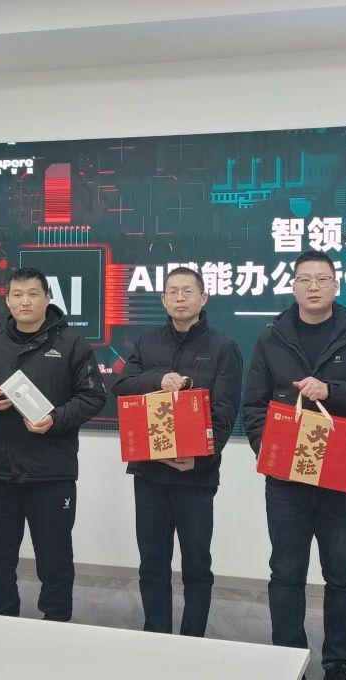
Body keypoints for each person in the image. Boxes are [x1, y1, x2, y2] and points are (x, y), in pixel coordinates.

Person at [243, 250, 346, 680]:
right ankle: (288, 657)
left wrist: (331, 390)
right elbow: (253, 405)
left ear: (336, 286)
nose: (313, 287)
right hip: (286, 481)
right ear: (292, 286)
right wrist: (268, 449)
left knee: (342, 575)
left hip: (343, 481)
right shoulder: (271, 338)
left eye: (322, 279)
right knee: (285, 573)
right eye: (304, 279)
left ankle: (337, 661)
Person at [0, 266, 107, 621]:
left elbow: (93, 397)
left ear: (47, 298)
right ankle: (2, 622)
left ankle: (56, 626)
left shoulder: (72, 344)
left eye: (32, 294)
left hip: (52, 472)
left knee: (55, 560)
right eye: (17, 295)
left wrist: (56, 418)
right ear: (7, 301)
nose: (24, 301)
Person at [111, 266, 243, 636]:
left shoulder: (223, 348)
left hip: (196, 477)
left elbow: (225, 414)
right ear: (163, 299)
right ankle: (156, 636)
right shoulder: (148, 342)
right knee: (152, 563)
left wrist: (199, 458)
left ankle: (193, 639)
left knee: (197, 565)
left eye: (188, 291)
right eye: (173, 291)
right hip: (149, 474)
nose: (180, 298)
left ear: (204, 298)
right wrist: (158, 379)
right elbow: (121, 386)